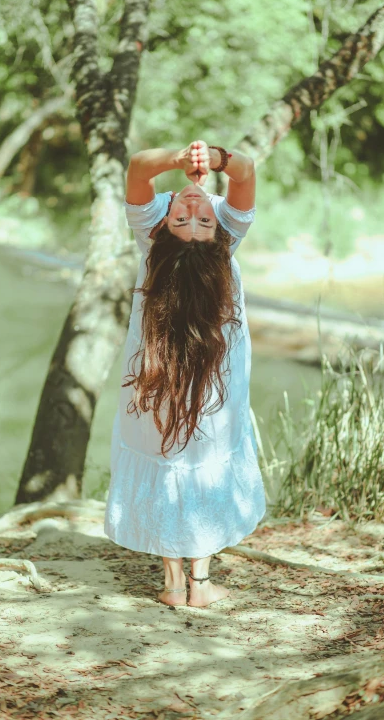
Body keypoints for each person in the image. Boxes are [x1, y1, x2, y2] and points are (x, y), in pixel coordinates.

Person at [103, 140, 266, 607]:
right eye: (187, 218)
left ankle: (175, 584)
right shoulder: (225, 238)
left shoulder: (152, 237)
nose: (194, 209)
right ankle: (199, 584)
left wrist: (182, 159)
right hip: (207, 382)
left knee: (167, 458)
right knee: (200, 460)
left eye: (194, 218)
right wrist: (212, 159)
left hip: (156, 379)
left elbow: (138, 169)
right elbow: (245, 171)